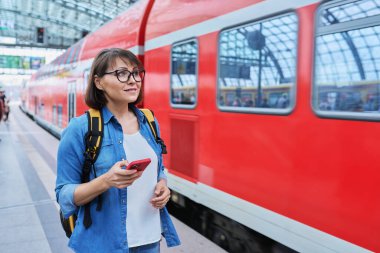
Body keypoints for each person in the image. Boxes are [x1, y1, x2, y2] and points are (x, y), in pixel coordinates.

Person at [56, 48, 180, 252]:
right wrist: (106, 181)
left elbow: (159, 170)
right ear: (98, 82)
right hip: (104, 244)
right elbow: (64, 196)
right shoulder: (80, 129)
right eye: (121, 73)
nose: (133, 80)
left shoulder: (149, 121)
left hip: (150, 241)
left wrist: (163, 186)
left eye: (136, 73)